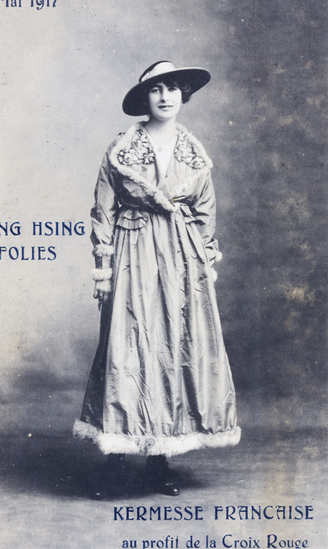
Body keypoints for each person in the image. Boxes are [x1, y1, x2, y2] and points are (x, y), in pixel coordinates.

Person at [73, 60, 241, 499]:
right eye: (156, 89)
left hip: (181, 261)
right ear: (144, 98)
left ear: (183, 95)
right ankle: (115, 460)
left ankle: (158, 461)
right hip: (134, 255)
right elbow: (103, 211)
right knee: (128, 348)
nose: (165, 96)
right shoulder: (122, 149)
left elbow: (205, 215)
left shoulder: (193, 153)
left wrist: (202, 265)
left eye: (173, 88)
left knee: (170, 350)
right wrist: (104, 270)